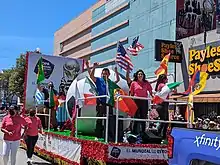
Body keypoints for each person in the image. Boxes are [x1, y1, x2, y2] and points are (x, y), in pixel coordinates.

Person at [86, 61, 120, 141]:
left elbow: (117, 80)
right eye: (103, 73)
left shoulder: (110, 82)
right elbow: (91, 76)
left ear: (109, 74)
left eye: (106, 73)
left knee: (109, 119)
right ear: (102, 74)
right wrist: (93, 67)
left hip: (109, 103)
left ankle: (108, 135)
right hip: (101, 102)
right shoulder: (99, 80)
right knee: (99, 118)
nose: (105, 75)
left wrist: (116, 71)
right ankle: (98, 134)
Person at [130, 69, 153, 135]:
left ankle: (143, 132)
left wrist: (153, 97)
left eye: (141, 74)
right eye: (139, 74)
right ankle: (134, 132)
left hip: (144, 101)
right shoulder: (133, 83)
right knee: (136, 117)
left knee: (143, 117)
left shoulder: (146, 83)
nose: (140, 75)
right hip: (136, 101)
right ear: (137, 75)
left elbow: (150, 91)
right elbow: (131, 93)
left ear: (143, 75)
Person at [155, 74, 169, 139]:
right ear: (164, 79)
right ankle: (160, 134)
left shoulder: (160, 85)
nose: (167, 79)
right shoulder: (162, 85)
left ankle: (161, 134)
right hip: (162, 104)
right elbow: (166, 91)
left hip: (163, 104)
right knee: (164, 120)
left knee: (165, 120)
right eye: (166, 78)